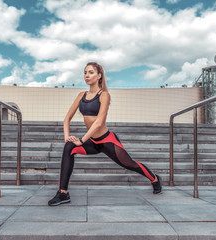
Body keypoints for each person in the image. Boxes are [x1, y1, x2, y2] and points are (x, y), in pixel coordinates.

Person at [48, 62, 162, 206]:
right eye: (85, 73)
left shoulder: (104, 95)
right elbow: (66, 119)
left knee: (129, 164)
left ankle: (154, 179)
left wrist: (81, 140)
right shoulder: (81, 95)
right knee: (69, 147)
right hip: (92, 143)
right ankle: (63, 193)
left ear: (99, 76)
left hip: (107, 141)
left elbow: (99, 123)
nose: (87, 76)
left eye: (91, 72)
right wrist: (67, 137)